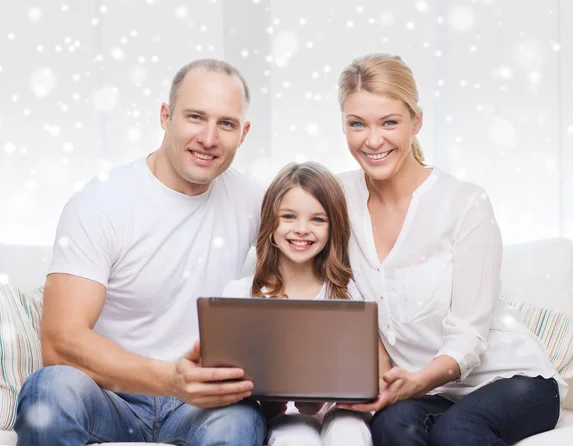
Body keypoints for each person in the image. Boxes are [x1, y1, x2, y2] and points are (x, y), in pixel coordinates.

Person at [15, 59, 267, 445]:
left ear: (243, 133)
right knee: (49, 389)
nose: (209, 137)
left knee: (240, 420)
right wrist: (169, 379)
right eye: (196, 117)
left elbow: (313, 258)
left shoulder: (253, 201)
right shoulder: (101, 202)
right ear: (165, 116)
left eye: (226, 124)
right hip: (110, 394)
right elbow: (58, 343)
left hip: (200, 405)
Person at [335, 53, 567, 446]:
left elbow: (468, 335)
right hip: (429, 392)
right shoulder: (336, 199)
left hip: (511, 379)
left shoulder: (464, 204)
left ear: (417, 122)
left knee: (456, 431)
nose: (372, 140)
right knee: (391, 426)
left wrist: (416, 381)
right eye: (358, 124)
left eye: (389, 122)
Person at [222, 161, 390, 446]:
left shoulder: (350, 293)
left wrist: (331, 395)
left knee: (348, 431)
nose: (302, 230)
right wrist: (269, 401)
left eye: (317, 219)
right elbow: (224, 379)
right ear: (270, 223)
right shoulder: (241, 295)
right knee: (296, 436)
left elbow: (381, 375)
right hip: (279, 417)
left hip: (341, 411)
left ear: (333, 226)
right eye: (288, 216)